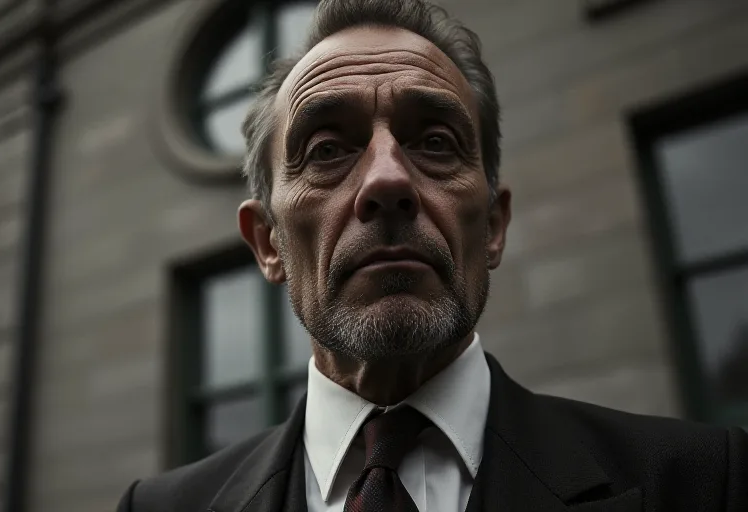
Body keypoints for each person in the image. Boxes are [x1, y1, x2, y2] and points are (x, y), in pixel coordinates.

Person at [116, 0, 748, 510]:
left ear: (493, 226)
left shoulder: (707, 483)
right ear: (268, 241)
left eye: (437, 142)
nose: (388, 179)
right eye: (328, 149)